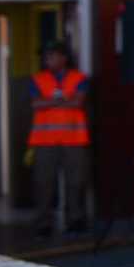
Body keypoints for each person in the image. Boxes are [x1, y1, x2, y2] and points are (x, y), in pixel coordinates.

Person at [26, 39, 90, 237]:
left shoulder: (79, 78)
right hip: (45, 142)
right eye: (46, 57)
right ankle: (43, 222)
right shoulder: (37, 79)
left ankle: (75, 219)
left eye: (52, 56)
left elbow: (77, 103)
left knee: (76, 181)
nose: (48, 60)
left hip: (74, 140)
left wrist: (51, 101)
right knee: (44, 183)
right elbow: (36, 104)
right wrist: (63, 99)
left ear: (63, 57)